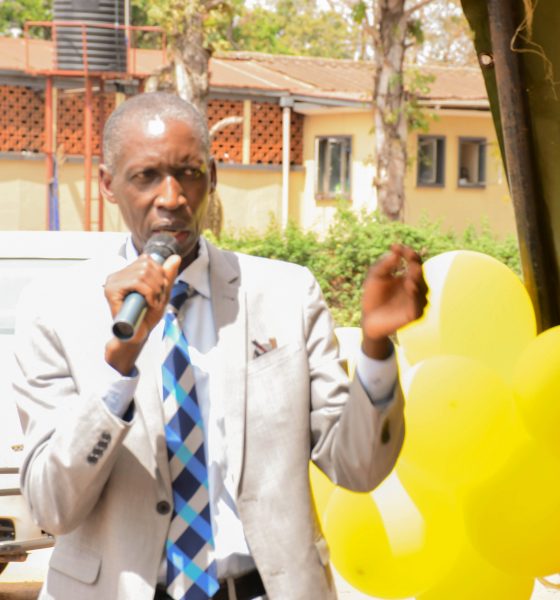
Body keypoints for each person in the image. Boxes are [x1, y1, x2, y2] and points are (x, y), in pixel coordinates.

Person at [12, 92, 428, 600]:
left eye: (188, 173)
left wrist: (376, 348)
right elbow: (52, 507)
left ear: (211, 177)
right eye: (146, 176)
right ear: (108, 185)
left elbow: (358, 468)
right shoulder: (55, 310)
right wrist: (117, 374)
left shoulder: (285, 295)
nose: (171, 197)